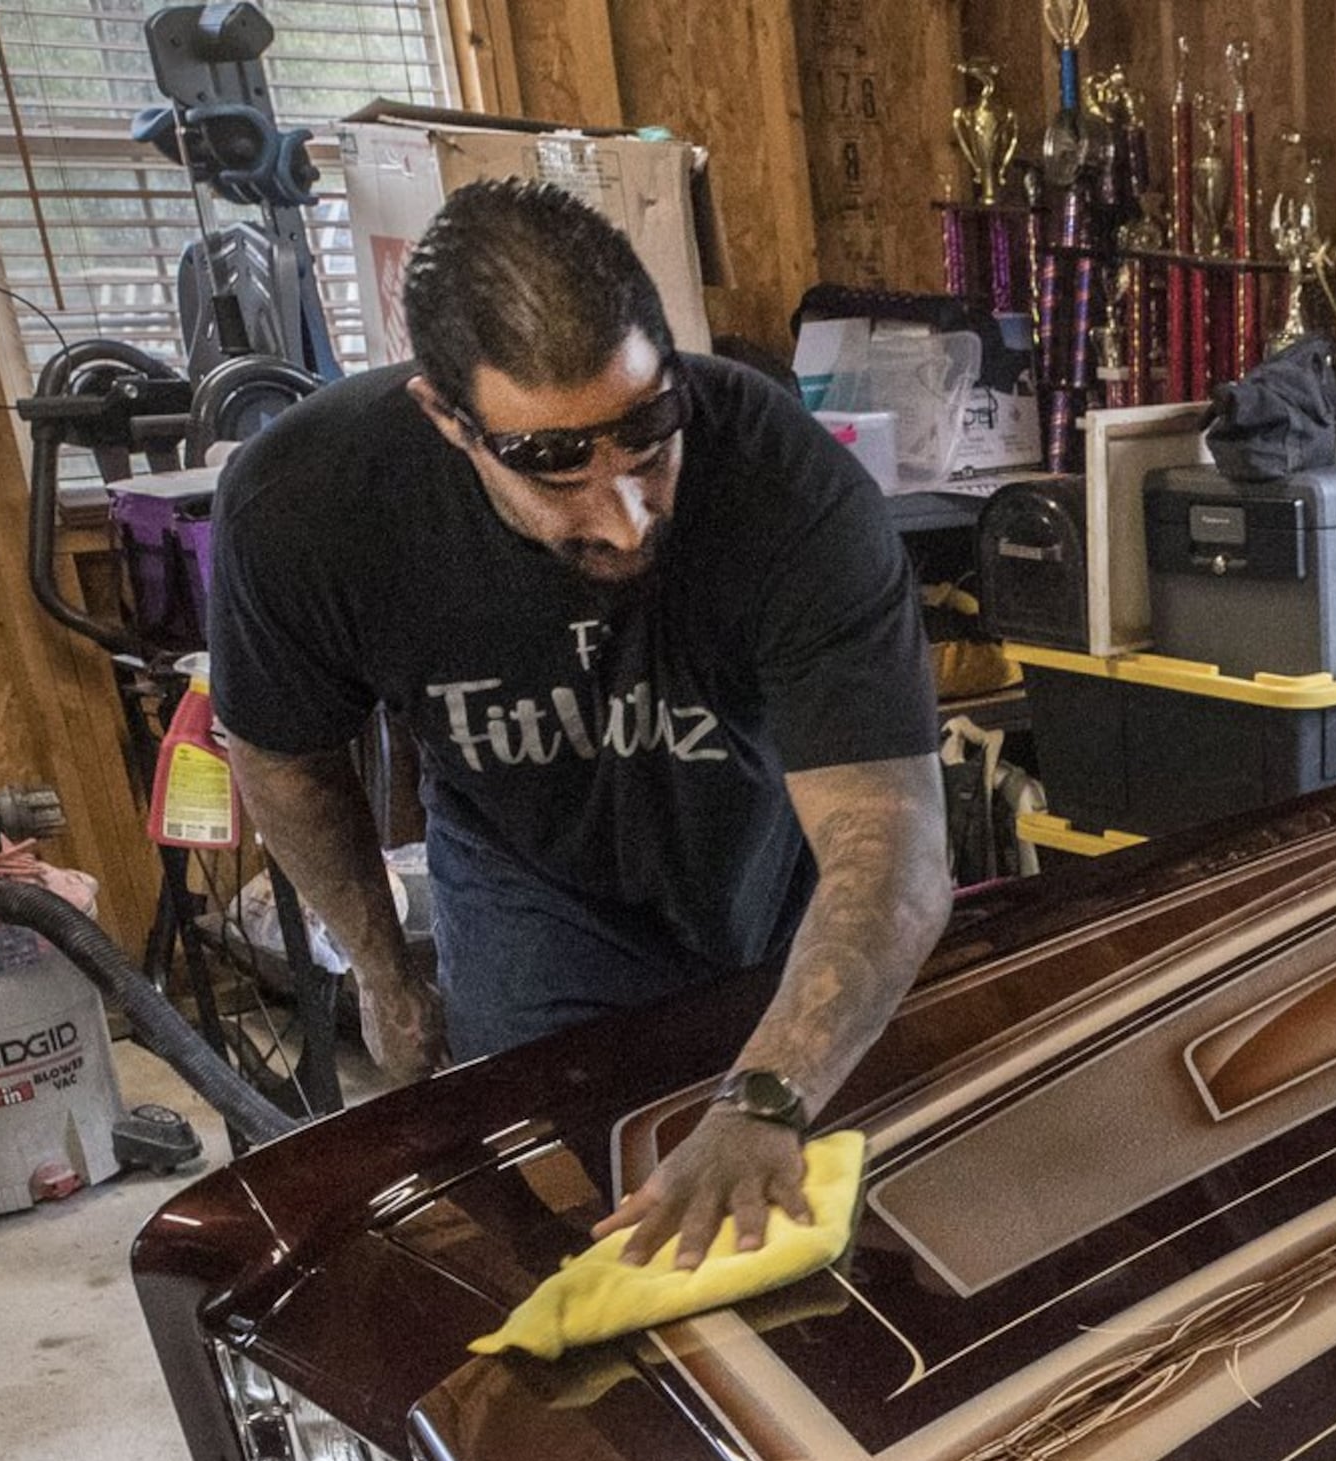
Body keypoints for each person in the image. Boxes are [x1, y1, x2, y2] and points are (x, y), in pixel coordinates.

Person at [208, 179, 950, 1268]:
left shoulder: (791, 486)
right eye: (556, 468)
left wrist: (765, 1101)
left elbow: (892, 849)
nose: (626, 511)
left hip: (766, 850)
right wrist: (381, 966)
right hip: (528, 877)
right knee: (576, 1220)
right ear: (445, 419)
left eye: (648, 443)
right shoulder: (311, 504)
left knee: (796, 1199)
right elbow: (283, 756)